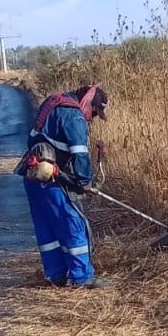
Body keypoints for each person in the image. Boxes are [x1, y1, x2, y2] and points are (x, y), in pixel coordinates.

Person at [19, 83, 109, 288]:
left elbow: (30, 139)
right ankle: (82, 277)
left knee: (47, 227)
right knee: (74, 224)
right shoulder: (74, 116)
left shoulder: (52, 102)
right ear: (88, 103)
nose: (93, 117)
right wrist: (84, 181)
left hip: (32, 176)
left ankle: (56, 275)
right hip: (53, 182)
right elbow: (79, 153)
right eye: (95, 112)